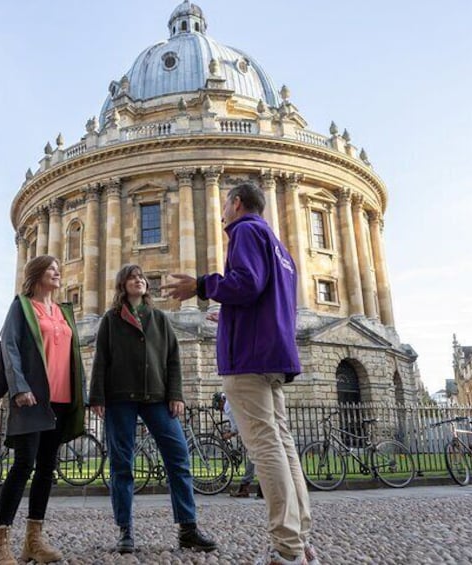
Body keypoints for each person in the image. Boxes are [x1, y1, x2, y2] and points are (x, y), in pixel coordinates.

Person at [163, 182, 317, 565]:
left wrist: (201, 285)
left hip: (248, 359)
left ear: (236, 203)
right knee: (283, 446)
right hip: (273, 353)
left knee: (266, 448)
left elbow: (246, 283)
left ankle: (288, 549)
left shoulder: (245, 230)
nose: (221, 216)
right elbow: (262, 296)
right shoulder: (280, 247)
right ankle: (302, 539)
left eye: (224, 208)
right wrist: (228, 313)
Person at [89, 264, 217, 555]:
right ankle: (125, 530)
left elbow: (173, 359)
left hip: (158, 397)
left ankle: (188, 528)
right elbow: (101, 360)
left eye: (142, 277)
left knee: (178, 457)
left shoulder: (159, 318)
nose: (139, 280)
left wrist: (176, 394)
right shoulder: (110, 320)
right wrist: (96, 396)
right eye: (133, 277)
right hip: (120, 397)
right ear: (123, 285)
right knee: (122, 464)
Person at [0, 255, 86, 565]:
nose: (57, 273)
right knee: (23, 466)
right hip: (31, 397)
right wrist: (18, 388)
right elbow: (10, 346)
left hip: (60, 398)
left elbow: (73, 356)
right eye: (51, 269)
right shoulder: (22, 306)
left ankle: (33, 541)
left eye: (58, 269)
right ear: (36, 274)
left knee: (46, 469)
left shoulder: (62, 311)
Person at [217, 393, 261, 499]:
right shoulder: (232, 401)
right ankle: (260, 489)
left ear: (221, 401)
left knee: (253, 457)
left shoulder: (228, 406)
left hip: (253, 431)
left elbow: (236, 427)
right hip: (255, 427)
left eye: (219, 406)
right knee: (259, 458)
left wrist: (229, 434)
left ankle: (245, 487)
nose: (220, 409)